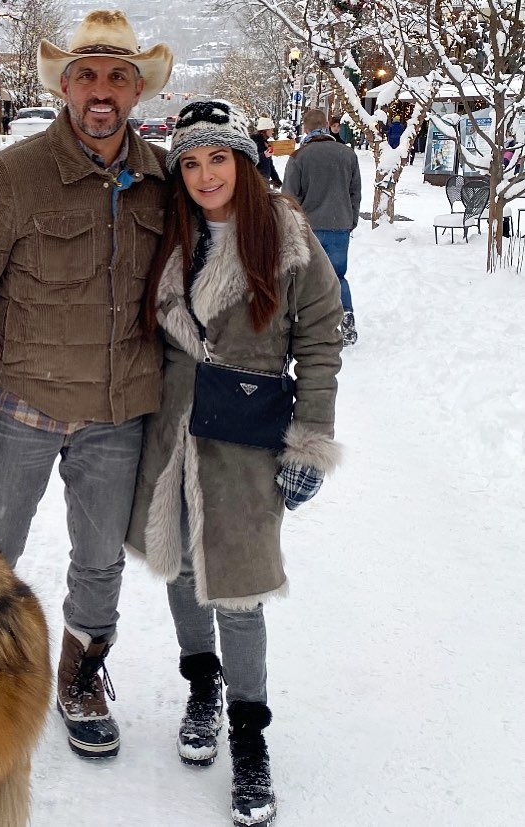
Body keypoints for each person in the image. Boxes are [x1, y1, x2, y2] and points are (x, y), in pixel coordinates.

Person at [0, 10, 173, 759]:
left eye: (118, 76)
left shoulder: (164, 179)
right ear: (65, 85)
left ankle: (80, 674)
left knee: (98, 558)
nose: (102, 91)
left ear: (137, 90)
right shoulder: (12, 175)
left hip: (116, 413)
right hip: (19, 409)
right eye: (87, 75)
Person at [127, 100, 343, 827]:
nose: (204, 174)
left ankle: (250, 738)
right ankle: (201, 684)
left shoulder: (285, 238)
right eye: (189, 162)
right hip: (168, 430)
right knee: (182, 567)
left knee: (239, 590)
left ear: (243, 162)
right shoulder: (168, 234)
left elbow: (318, 338)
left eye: (217, 157)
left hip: (246, 440)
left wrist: (309, 436)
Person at [282, 108, 361, 346]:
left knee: (307, 278)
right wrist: (351, 219)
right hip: (340, 226)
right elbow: (355, 192)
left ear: (305, 128)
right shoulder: (347, 154)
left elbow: (288, 197)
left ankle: (310, 325)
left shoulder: (299, 157)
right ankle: (346, 317)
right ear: (327, 125)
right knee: (338, 276)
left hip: (309, 228)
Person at [251, 116, 282, 189]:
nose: (273, 132)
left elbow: (269, 164)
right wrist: (263, 155)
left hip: (264, 183)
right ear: (265, 130)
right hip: (254, 184)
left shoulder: (265, 143)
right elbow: (249, 161)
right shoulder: (253, 142)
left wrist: (276, 179)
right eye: (271, 130)